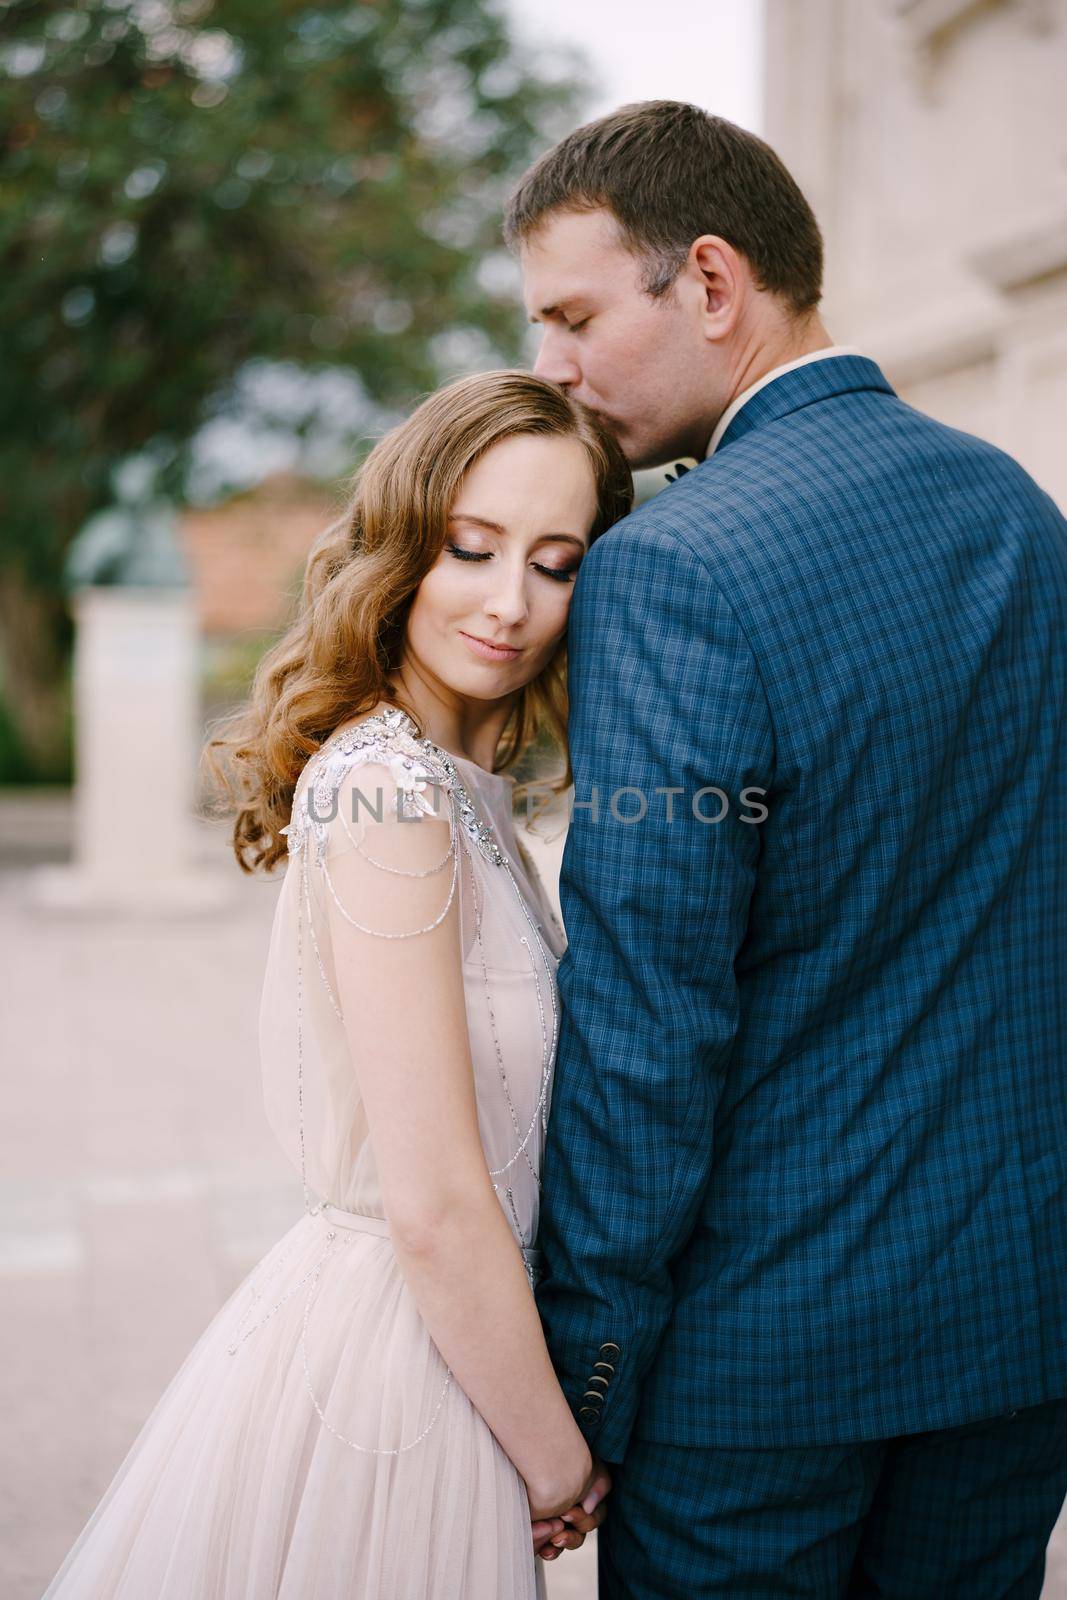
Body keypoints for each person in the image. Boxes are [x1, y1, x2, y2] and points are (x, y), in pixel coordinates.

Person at [503, 100, 1067, 1596]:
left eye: (569, 315)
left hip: (761, 1379)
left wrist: (587, 1370)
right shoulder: (1015, 510)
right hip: (1016, 1331)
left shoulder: (668, 573)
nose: (547, 366)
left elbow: (648, 1023)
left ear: (706, 281)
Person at [39, 369, 632, 1598]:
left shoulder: (460, 787)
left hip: (455, 1344)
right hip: (404, 1371)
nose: (510, 602)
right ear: (404, 545)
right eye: (471, 549)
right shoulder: (387, 793)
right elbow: (433, 1200)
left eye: (557, 561)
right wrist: (554, 1457)